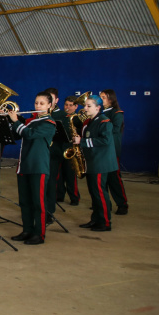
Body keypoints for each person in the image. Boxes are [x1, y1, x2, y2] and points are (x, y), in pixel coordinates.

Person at [7, 93, 55, 245]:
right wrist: (9, 122)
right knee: (25, 202)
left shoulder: (49, 122)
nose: (38, 106)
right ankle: (27, 230)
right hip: (25, 166)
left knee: (38, 203)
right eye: (36, 103)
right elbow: (17, 136)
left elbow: (29, 134)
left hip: (38, 167)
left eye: (42, 103)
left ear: (49, 106)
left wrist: (16, 122)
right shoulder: (32, 121)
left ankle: (39, 234)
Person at [74, 95, 116, 231]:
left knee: (99, 192)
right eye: (85, 105)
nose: (84, 108)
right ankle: (96, 219)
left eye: (88, 106)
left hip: (100, 162)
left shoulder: (104, 122)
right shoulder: (90, 121)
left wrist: (82, 142)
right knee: (93, 192)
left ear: (98, 108)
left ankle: (105, 222)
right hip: (92, 161)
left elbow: (105, 141)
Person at [100, 89, 128, 215]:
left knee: (114, 179)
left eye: (103, 97)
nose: (101, 100)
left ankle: (122, 204)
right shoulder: (100, 113)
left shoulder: (117, 113)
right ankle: (105, 204)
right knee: (102, 180)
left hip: (112, 151)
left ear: (111, 99)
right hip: (100, 151)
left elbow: (115, 130)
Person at [44, 87, 64, 223]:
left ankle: (49, 211)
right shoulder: (39, 115)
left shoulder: (61, 116)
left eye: (51, 99)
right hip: (40, 154)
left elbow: (64, 138)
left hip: (53, 155)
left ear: (56, 100)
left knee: (51, 184)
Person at [56, 95, 81, 205]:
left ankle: (74, 198)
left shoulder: (78, 118)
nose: (68, 107)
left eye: (71, 105)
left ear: (76, 106)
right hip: (60, 148)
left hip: (71, 150)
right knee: (59, 176)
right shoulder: (61, 116)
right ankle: (60, 195)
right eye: (66, 105)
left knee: (71, 176)